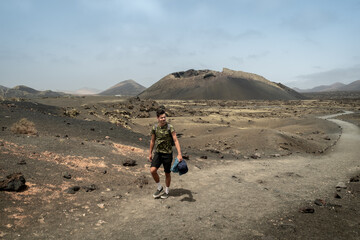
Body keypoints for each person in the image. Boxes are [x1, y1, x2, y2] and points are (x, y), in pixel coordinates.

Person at [149, 108, 183, 199]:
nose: (163, 119)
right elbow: (152, 141)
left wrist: (179, 154)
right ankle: (159, 187)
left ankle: (167, 191)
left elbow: (175, 140)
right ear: (157, 118)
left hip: (167, 154)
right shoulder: (155, 127)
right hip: (158, 153)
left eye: (164, 117)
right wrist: (150, 153)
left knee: (167, 173)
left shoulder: (170, 127)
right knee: (152, 170)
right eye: (161, 118)